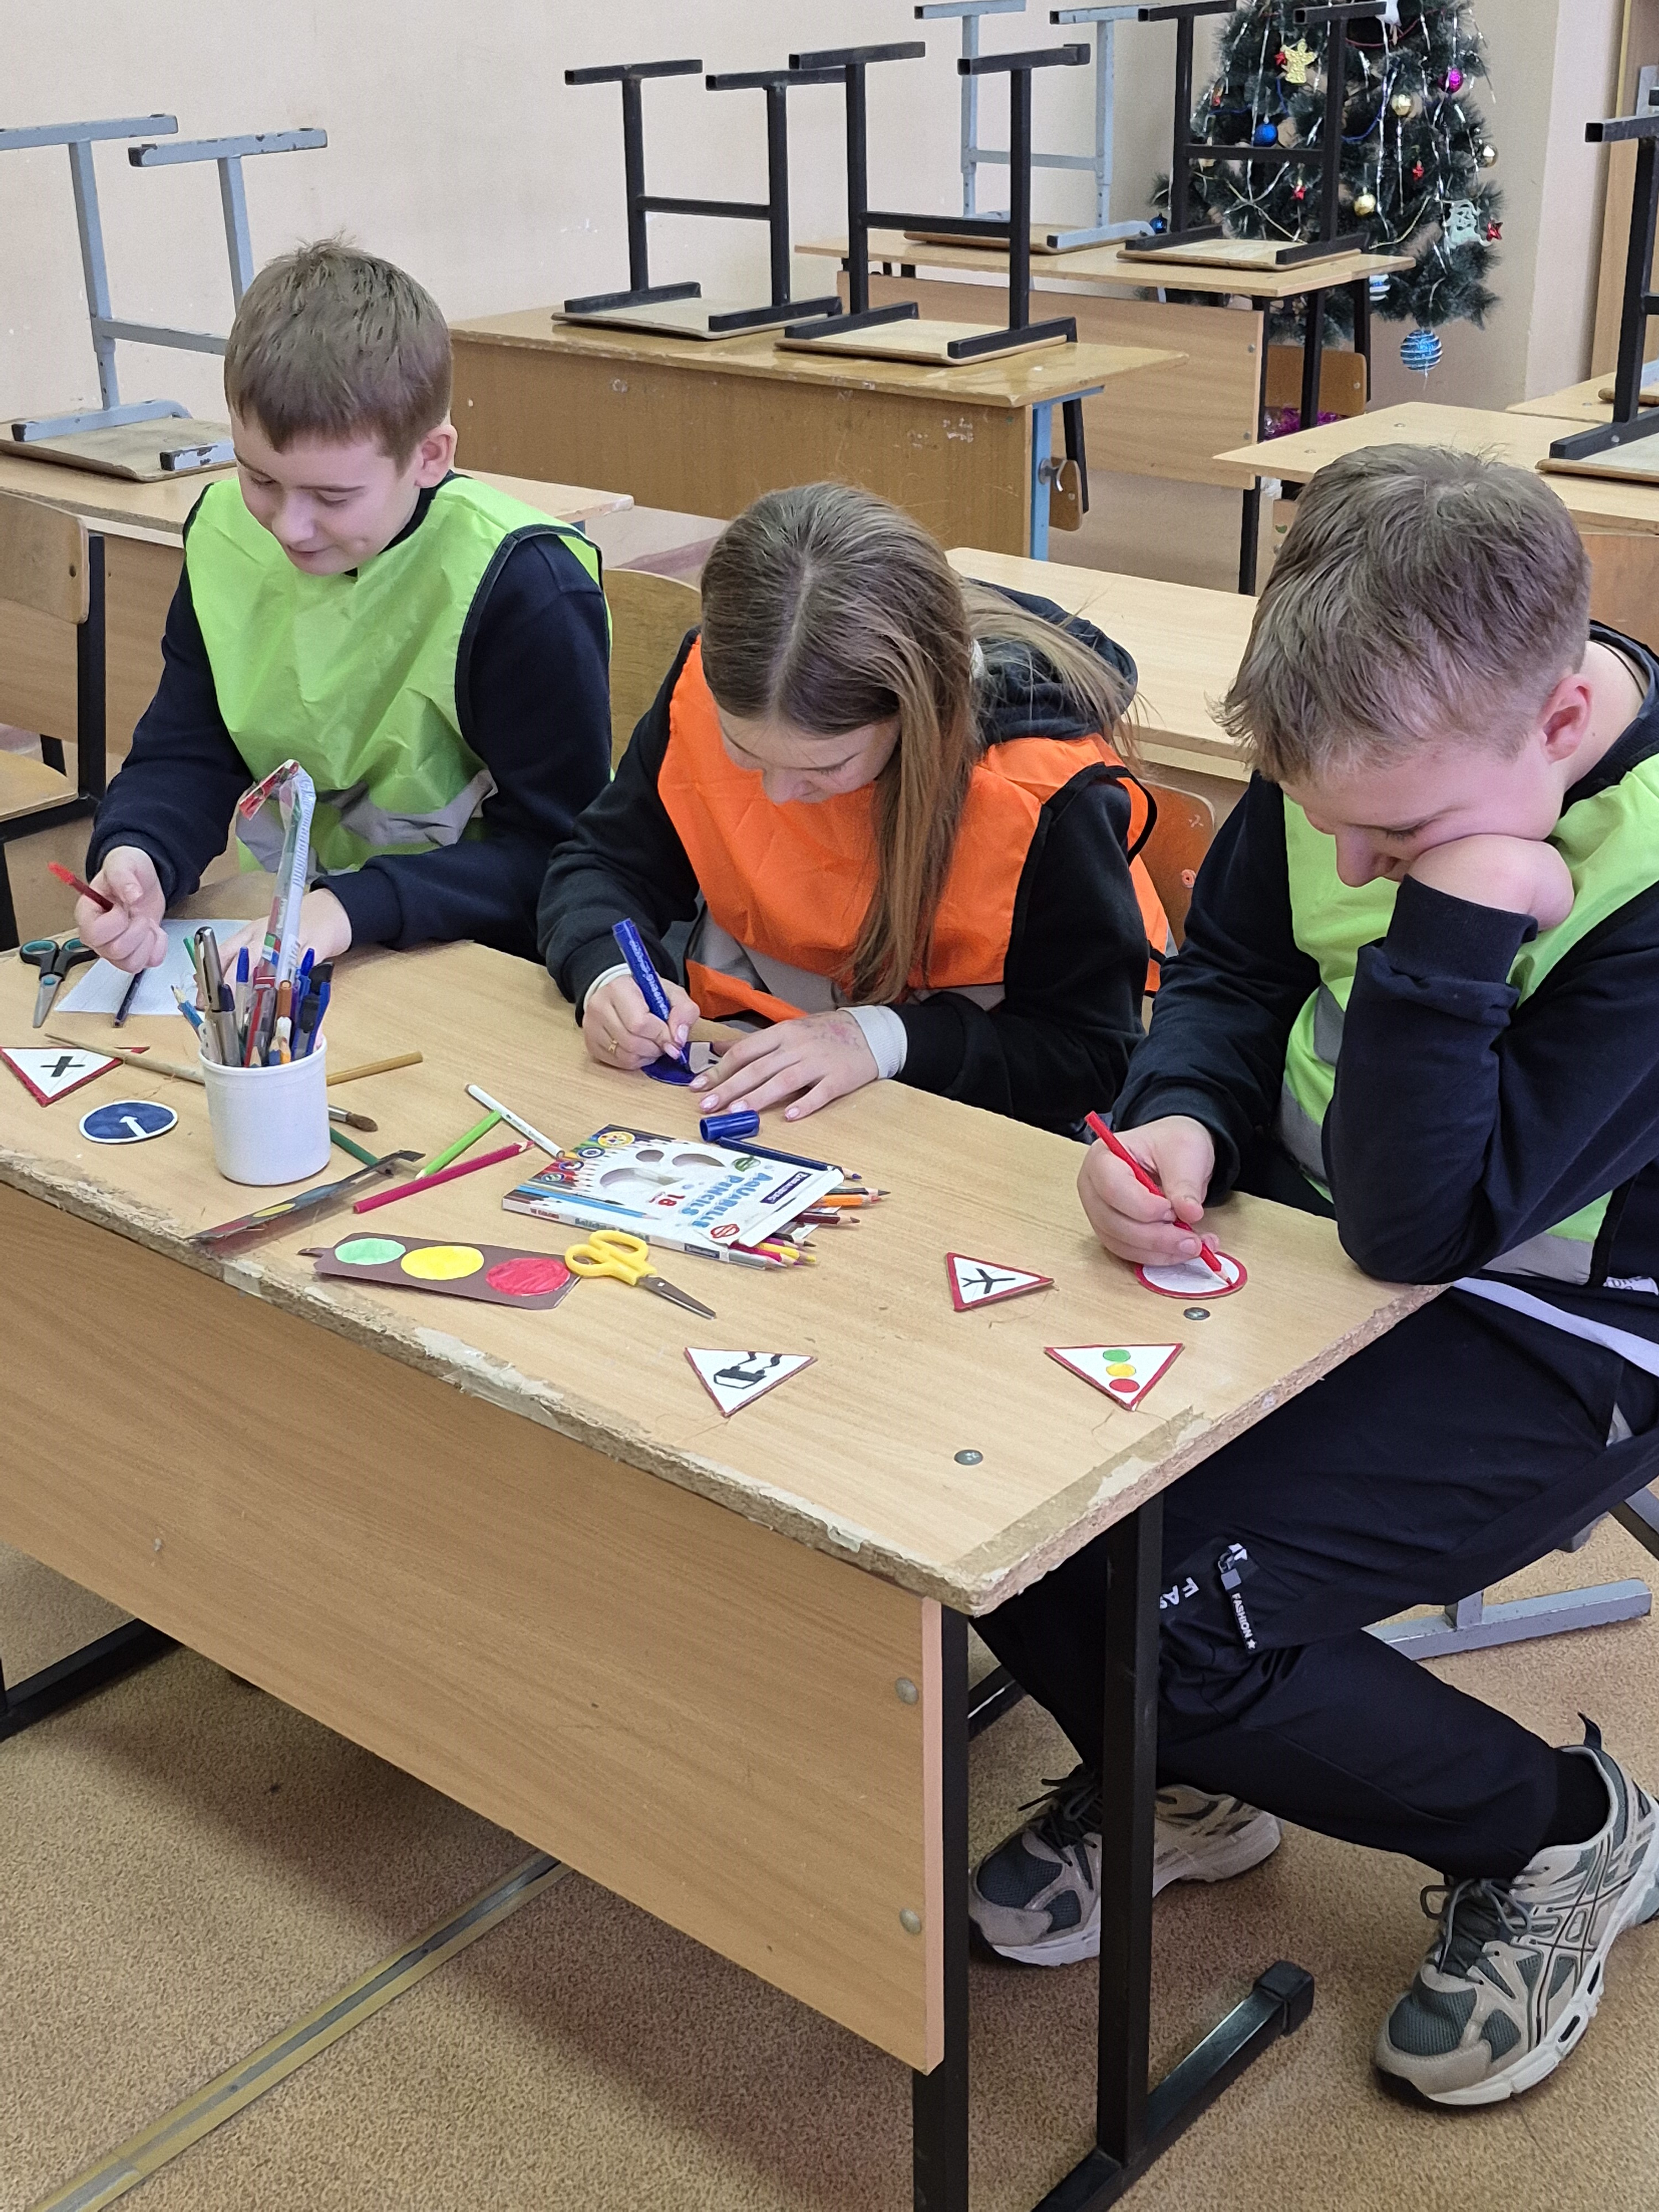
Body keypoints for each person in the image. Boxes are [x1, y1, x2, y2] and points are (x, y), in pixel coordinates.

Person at [969, 446, 1659, 2106]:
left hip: (1554, 1320)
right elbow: (1230, 967)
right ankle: (1195, 1771)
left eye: (1398, 838)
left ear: (1562, 722)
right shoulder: (1372, 733)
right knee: (1002, 1501)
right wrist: (1184, 1115)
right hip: (1308, 1234)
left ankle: (1561, 1831)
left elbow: (1429, 1223)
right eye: (1323, 821)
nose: (1350, 870)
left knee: (1172, 1611)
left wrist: (1461, 918)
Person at [538, 481, 1165, 1134]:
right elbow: (603, 865)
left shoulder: (1044, 793)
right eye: (743, 750)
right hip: (748, 1089)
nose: (778, 794)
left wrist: (882, 1038)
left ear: (913, 715)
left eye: (826, 767)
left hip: (957, 1122)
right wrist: (607, 970)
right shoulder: (707, 684)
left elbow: (1087, 1056)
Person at [75, 240, 611, 970]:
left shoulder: (524, 584)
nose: (289, 527)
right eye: (259, 478)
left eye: (332, 497)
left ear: (429, 457)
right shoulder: (226, 536)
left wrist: (346, 909)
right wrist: (140, 851)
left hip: (478, 959)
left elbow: (558, 856)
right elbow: (188, 749)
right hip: (307, 938)